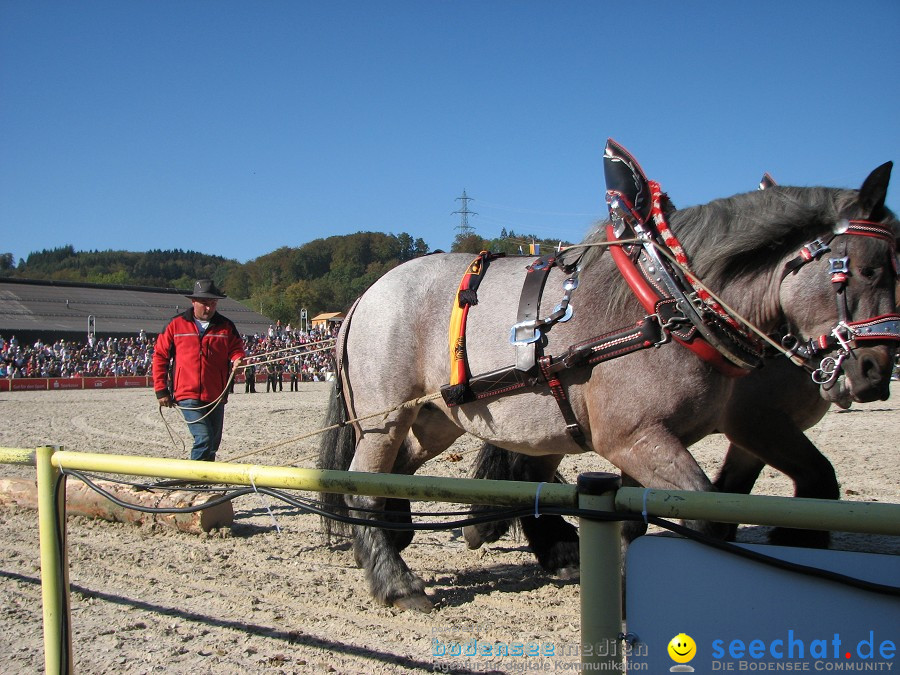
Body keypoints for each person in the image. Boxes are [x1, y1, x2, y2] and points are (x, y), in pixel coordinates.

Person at [152, 279, 245, 461]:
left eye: (213, 303)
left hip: (217, 394)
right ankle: (193, 480)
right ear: (193, 302)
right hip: (187, 394)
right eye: (205, 303)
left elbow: (236, 348)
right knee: (204, 438)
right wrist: (161, 390)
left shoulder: (226, 326)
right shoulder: (175, 325)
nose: (209, 308)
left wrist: (238, 359)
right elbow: (160, 357)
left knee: (213, 444)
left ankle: (205, 482)